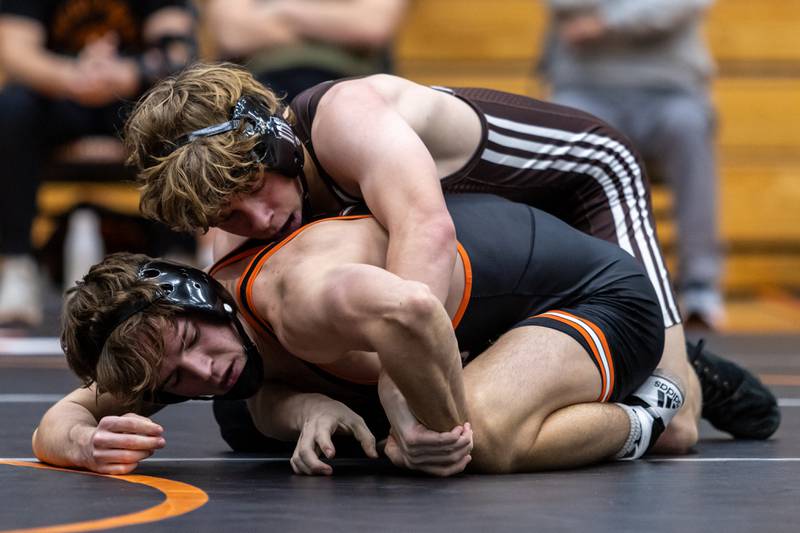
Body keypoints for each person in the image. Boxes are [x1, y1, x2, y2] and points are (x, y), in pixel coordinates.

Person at [123, 63, 779, 451]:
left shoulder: (346, 118)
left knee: (679, 430)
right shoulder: (244, 210)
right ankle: (599, 355)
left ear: (274, 145)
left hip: (580, 182)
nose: (260, 221)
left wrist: (398, 379)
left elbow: (424, 232)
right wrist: (73, 426)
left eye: (256, 194)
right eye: (228, 217)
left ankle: (674, 361)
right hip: (499, 248)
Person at [35, 194, 683, 476]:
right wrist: (90, 444)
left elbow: (412, 314)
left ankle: (649, 407)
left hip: (596, 296)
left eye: (193, 348)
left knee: (473, 436)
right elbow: (54, 425)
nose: (202, 373)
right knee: (245, 412)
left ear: (203, 296)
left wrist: (417, 417)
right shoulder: (165, 343)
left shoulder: (296, 291)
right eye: (176, 379)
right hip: (497, 327)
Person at [0, 0, 194, 326]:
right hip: (58, 92)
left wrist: (132, 71)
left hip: (132, 94)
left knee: (181, 104)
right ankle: (18, 266)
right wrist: (74, 76)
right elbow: (15, 51)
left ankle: (177, 260)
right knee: (10, 109)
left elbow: (178, 46)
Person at [539, 0, 722, 329]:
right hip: (585, 88)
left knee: (689, 126)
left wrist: (607, 21)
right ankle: (566, 283)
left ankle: (700, 286)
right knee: (562, 130)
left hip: (670, 90)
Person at [200, 0, 407, 100]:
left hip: (350, 84)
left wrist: (283, 10)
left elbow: (372, 27)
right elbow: (233, 34)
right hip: (259, 85)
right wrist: (336, 27)